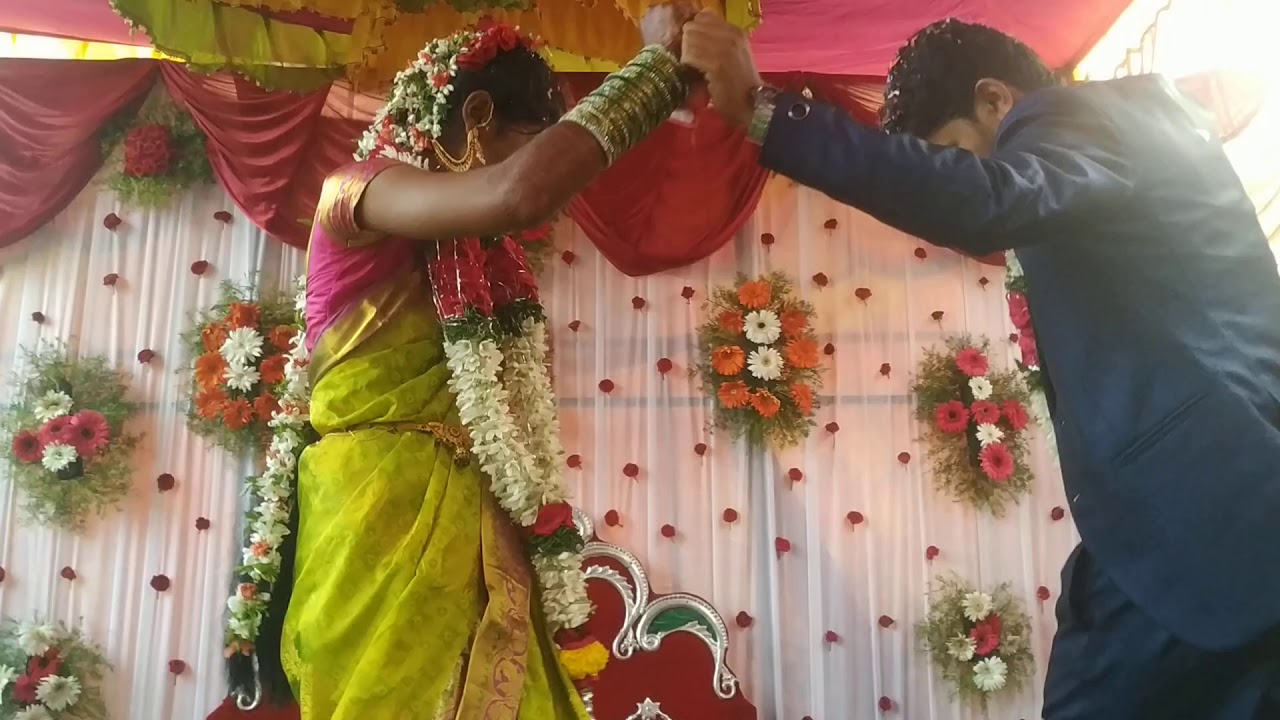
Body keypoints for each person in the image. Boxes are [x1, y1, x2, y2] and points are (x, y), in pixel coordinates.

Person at [682, 12, 1280, 720]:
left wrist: (764, 112)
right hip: (1190, 528)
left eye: (961, 153)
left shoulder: (1078, 121)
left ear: (996, 100)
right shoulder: (1138, 137)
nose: (964, 175)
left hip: (1203, 520)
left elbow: (991, 199)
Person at [229, 7, 699, 718]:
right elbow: (517, 193)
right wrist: (655, 70)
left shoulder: (483, 263)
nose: (540, 172)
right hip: (377, 518)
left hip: (482, 526)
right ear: (477, 116)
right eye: (528, 141)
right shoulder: (361, 192)